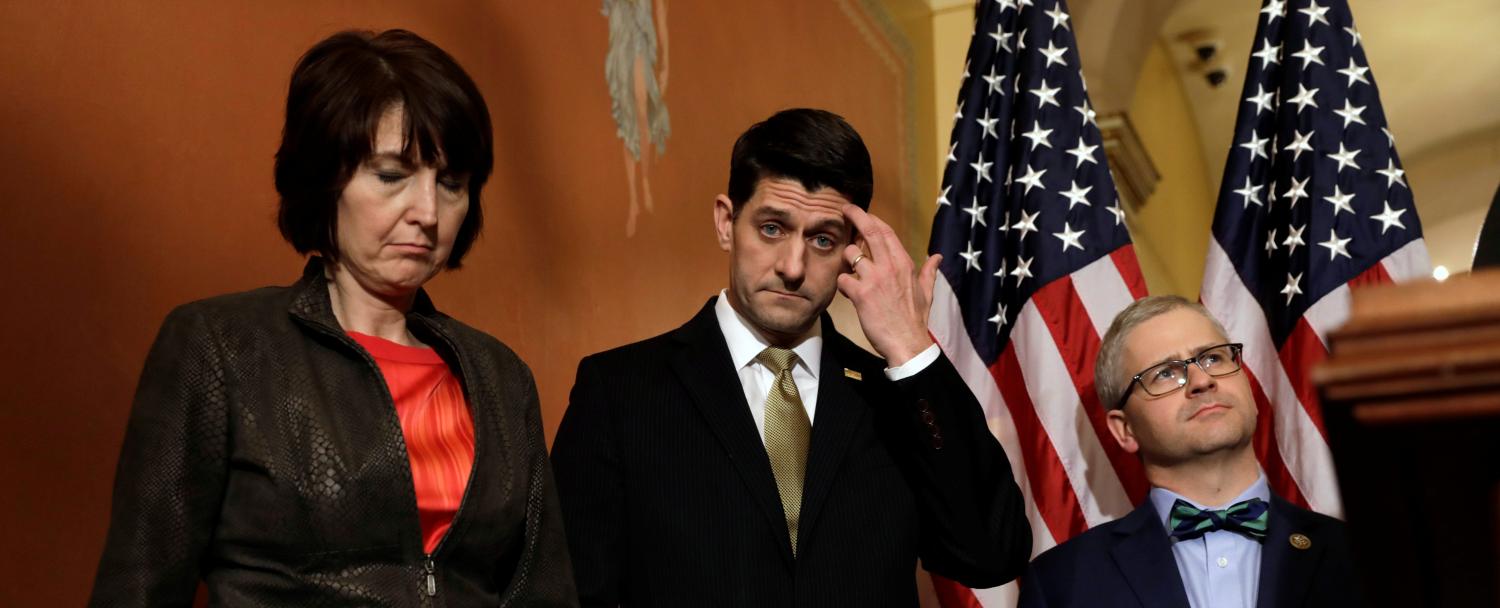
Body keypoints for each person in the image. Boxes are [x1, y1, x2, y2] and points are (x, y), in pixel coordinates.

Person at [89, 30, 576, 606]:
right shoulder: (223, 348)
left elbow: (544, 593)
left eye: (451, 184)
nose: (427, 212)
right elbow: (139, 587)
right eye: (392, 175)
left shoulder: (500, 377)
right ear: (326, 180)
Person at [551, 108, 1031, 606]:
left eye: (822, 239)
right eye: (772, 228)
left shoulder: (893, 398)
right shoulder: (619, 390)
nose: (793, 267)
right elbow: (572, 593)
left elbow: (992, 554)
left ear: (853, 251)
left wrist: (911, 350)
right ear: (726, 222)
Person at [1018, 295, 1359, 608]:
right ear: (1125, 430)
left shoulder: (1364, 557)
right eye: (1166, 373)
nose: (1201, 381)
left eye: (1213, 357)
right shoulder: (1061, 584)